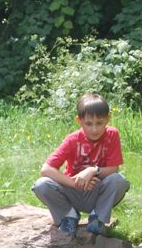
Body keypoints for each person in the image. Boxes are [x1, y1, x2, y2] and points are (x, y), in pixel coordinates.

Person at [32, 93, 130, 236]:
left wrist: (92, 170)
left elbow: (114, 169)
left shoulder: (112, 135)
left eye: (100, 123)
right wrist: (73, 183)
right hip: (73, 192)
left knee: (119, 181)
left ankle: (97, 218)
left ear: (108, 118)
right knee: (42, 185)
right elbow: (46, 169)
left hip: (97, 192)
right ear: (79, 120)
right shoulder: (73, 140)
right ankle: (69, 215)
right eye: (88, 124)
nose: (94, 129)